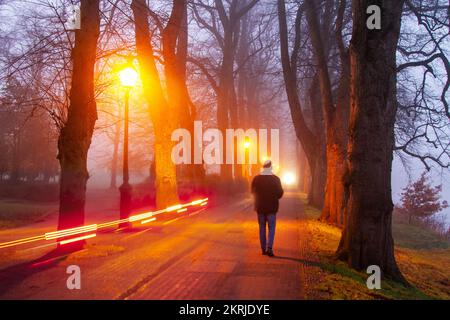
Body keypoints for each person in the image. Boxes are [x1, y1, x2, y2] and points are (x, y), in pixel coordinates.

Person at [251, 160, 284, 257]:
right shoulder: (276, 179)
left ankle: (263, 248)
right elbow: (280, 193)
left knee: (262, 228)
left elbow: (253, 191)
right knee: (271, 227)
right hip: (272, 207)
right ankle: (269, 248)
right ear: (271, 168)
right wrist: (274, 197)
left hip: (260, 207)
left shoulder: (256, 178)